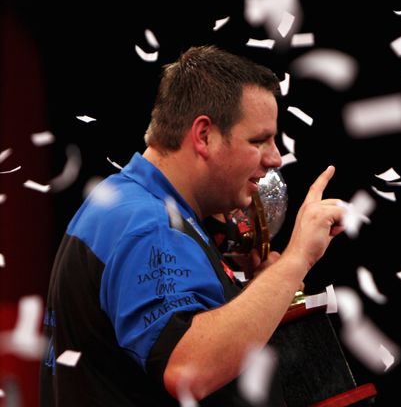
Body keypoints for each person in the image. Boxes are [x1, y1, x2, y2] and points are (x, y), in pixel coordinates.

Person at [40, 45, 346, 406]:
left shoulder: (128, 203)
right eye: (259, 140)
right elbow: (189, 369)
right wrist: (297, 260)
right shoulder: (147, 224)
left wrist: (265, 287)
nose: (275, 158)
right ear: (204, 136)